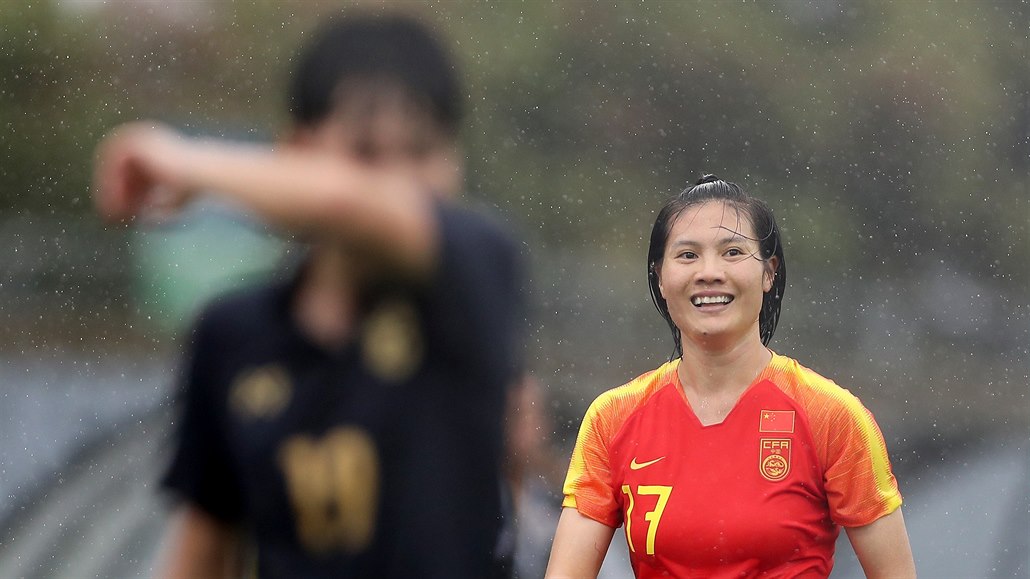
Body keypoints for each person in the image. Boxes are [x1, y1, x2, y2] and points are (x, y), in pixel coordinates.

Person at [92, 14, 525, 578]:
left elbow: (349, 204)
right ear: (296, 149)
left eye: (419, 151)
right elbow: (203, 547)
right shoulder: (233, 334)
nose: (393, 184)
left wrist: (190, 164)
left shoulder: (479, 270)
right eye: (365, 152)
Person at [545, 175, 915, 578]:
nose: (709, 272)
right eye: (687, 255)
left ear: (769, 273)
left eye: (732, 252)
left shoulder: (832, 416)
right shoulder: (612, 419)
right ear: (660, 278)